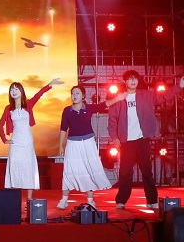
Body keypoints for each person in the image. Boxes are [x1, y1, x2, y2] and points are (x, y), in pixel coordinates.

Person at [108, 70, 184, 209]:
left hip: (142, 138)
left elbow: (163, 97)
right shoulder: (119, 98)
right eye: (130, 79)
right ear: (125, 81)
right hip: (126, 140)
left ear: (138, 81)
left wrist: (178, 86)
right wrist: (115, 138)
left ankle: (152, 200)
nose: (133, 81)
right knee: (125, 171)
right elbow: (112, 120)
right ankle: (121, 200)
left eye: (135, 79)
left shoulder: (147, 95)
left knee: (147, 170)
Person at [0, 78, 64, 201]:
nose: (14, 91)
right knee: (15, 167)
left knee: (28, 167)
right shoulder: (8, 109)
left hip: (27, 140)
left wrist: (50, 84)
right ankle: (15, 199)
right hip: (16, 141)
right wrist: (5, 139)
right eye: (11, 90)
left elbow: (38, 95)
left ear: (21, 91)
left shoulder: (28, 104)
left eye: (16, 89)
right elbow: (0, 125)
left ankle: (29, 199)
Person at [57, 85, 120, 209]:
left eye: (77, 93)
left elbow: (104, 104)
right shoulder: (67, 110)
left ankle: (90, 201)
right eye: (73, 93)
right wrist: (60, 145)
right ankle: (64, 200)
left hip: (88, 143)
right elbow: (63, 128)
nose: (74, 96)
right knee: (69, 170)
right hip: (73, 144)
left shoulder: (89, 108)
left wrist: (118, 98)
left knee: (89, 169)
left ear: (83, 96)